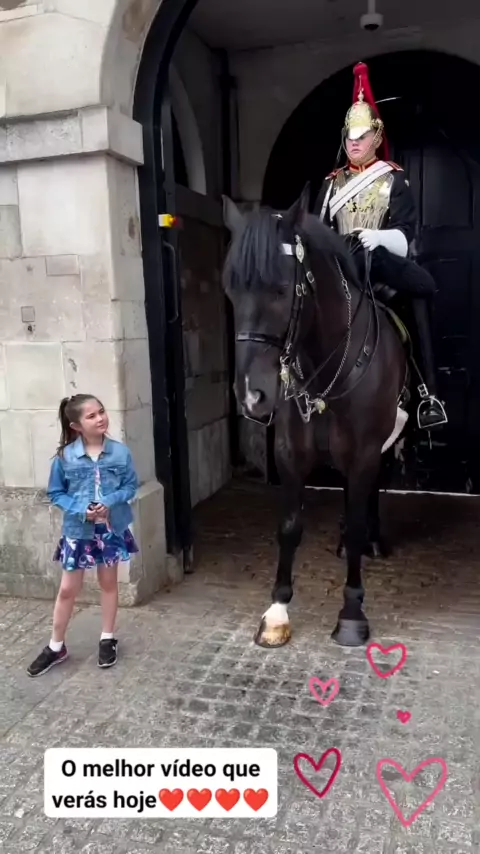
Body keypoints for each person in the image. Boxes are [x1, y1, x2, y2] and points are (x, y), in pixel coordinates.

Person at [313, 61, 447, 431]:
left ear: (376, 136)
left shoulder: (393, 180)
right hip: (341, 266)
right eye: (349, 136)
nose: (354, 142)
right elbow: (318, 231)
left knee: (421, 289)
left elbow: (405, 234)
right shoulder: (330, 184)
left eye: (362, 135)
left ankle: (428, 393)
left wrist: (379, 238)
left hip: (382, 263)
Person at [27, 394, 139, 677]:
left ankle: (107, 638)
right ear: (76, 425)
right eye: (91, 416)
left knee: (108, 583)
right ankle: (56, 646)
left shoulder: (120, 452)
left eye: (101, 411)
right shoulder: (65, 457)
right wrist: (81, 510)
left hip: (110, 529)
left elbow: (130, 486)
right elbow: (56, 493)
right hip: (78, 531)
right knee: (67, 589)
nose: (100, 418)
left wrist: (110, 501)